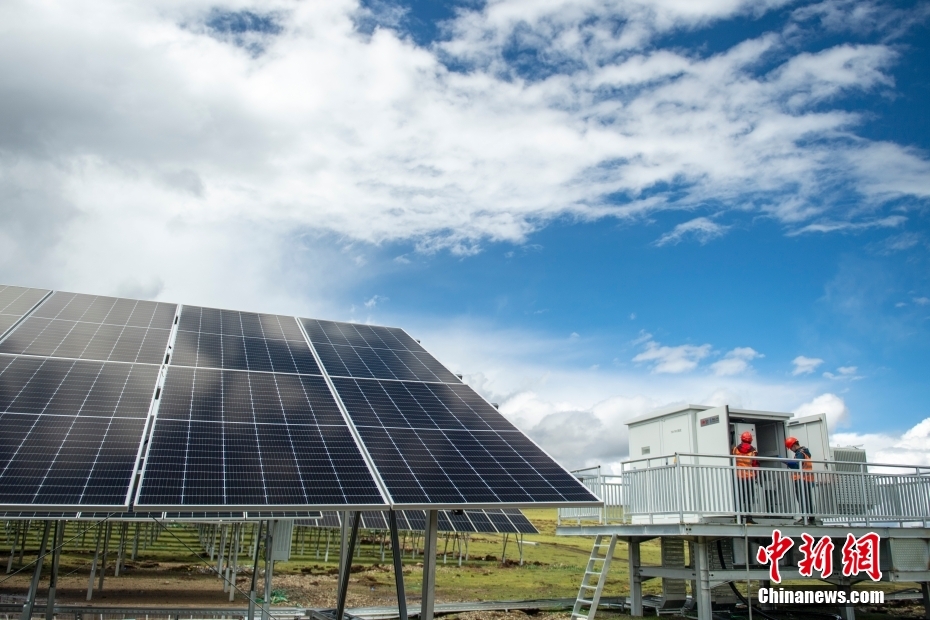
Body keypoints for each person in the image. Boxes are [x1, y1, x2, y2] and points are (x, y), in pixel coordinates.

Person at [786, 437, 815, 525]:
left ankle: (805, 519)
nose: (791, 450)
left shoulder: (800, 453)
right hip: (808, 479)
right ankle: (811, 518)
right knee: (808, 499)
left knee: (802, 499)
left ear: (794, 445)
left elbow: (797, 465)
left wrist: (787, 462)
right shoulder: (805, 451)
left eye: (791, 448)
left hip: (801, 479)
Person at [732, 431, 759, 524]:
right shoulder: (753, 451)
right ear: (751, 440)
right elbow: (755, 464)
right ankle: (748, 518)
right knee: (749, 498)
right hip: (749, 477)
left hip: (738, 476)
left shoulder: (735, 449)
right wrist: (756, 475)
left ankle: (737, 518)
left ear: (742, 439)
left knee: (738, 497)